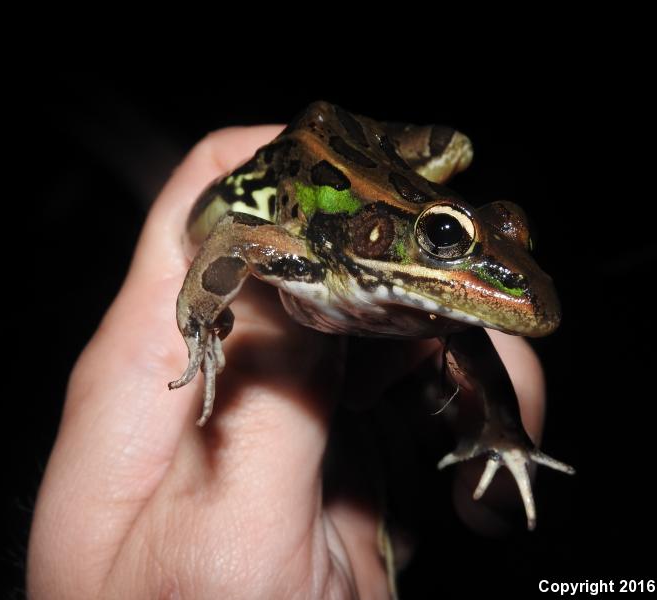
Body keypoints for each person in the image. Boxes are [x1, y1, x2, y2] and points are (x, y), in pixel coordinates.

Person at [27, 126, 549, 599]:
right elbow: (233, 234)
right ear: (378, 232)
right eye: (443, 238)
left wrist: (504, 431)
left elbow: (477, 351)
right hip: (306, 181)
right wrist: (203, 324)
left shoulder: (442, 317)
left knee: (458, 148)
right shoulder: (317, 264)